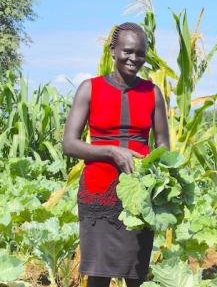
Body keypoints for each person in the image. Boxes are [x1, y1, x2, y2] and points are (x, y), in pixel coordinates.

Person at [63, 22, 170, 287]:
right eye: (128, 51)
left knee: (135, 274)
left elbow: (163, 146)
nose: (134, 59)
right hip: (98, 194)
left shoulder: (152, 93)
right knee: (98, 275)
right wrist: (111, 151)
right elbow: (69, 144)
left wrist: (154, 177)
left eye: (141, 53)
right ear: (113, 50)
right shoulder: (90, 88)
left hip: (139, 197)